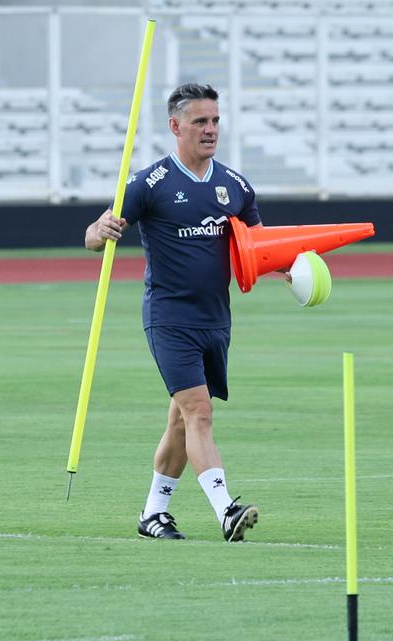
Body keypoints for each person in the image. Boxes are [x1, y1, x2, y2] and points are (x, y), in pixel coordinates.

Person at [84, 83, 274, 542]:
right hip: (169, 318)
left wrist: (290, 267)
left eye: (215, 121)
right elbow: (94, 236)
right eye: (199, 122)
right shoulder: (149, 184)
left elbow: (261, 245)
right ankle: (226, 510)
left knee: (181, 418)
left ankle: (153, 515)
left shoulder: (235, 186)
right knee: (199, 412)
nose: (210, 130)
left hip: (217, 319)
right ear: (176, 127)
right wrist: (99, 228)